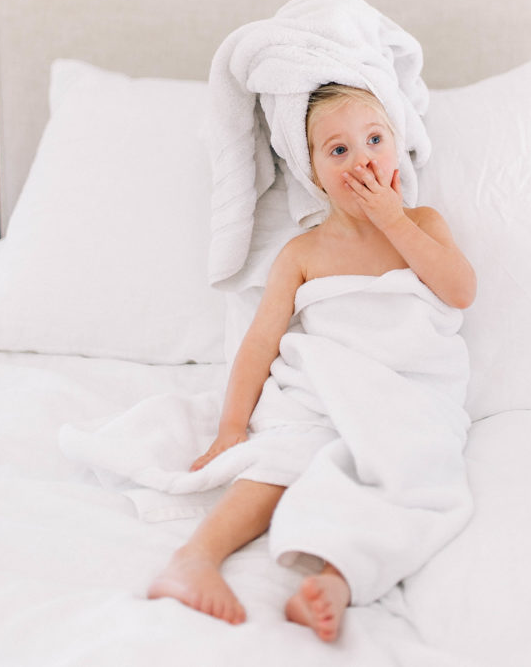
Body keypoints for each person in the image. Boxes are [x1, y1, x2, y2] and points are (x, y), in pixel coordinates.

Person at [147, 83, 476, 642]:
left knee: (408, 471)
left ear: (396, 150)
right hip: (321, 389)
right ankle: (194, 559)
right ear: (314, 173)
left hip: (405, 394)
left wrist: (394, 220)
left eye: (374, 139)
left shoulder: (422, 225)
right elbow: (259, 343)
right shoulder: (303, 253)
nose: (362, 158)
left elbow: (460, 290)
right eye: (338, 149)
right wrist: (231, 428)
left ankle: (337, 579)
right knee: (284, 456)